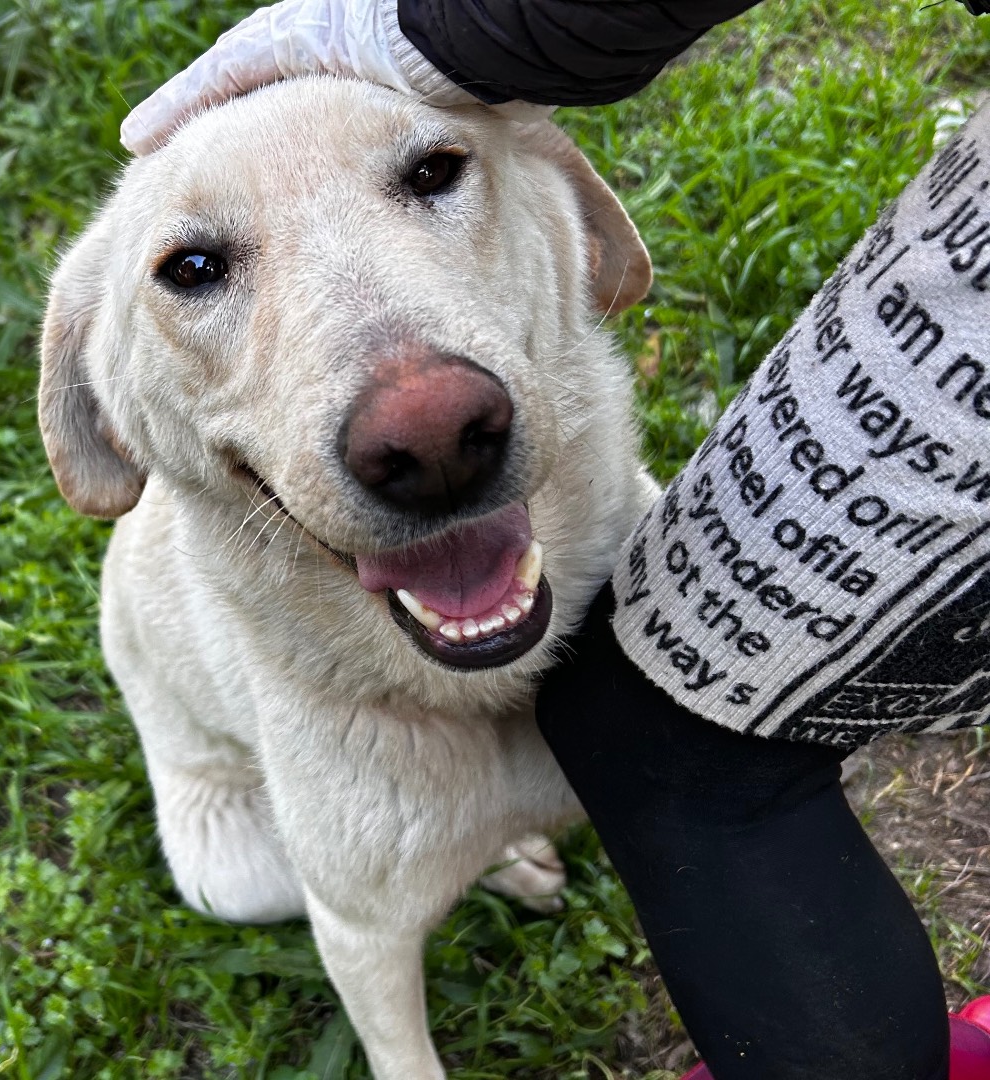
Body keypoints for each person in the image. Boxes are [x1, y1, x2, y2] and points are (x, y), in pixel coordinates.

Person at [119, 3, 990, 1078]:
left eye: (433, 175)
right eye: (199, 268)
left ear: (576, 227)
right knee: (238, 878)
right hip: (300, 725)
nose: (420, 419)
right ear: (100, 413)